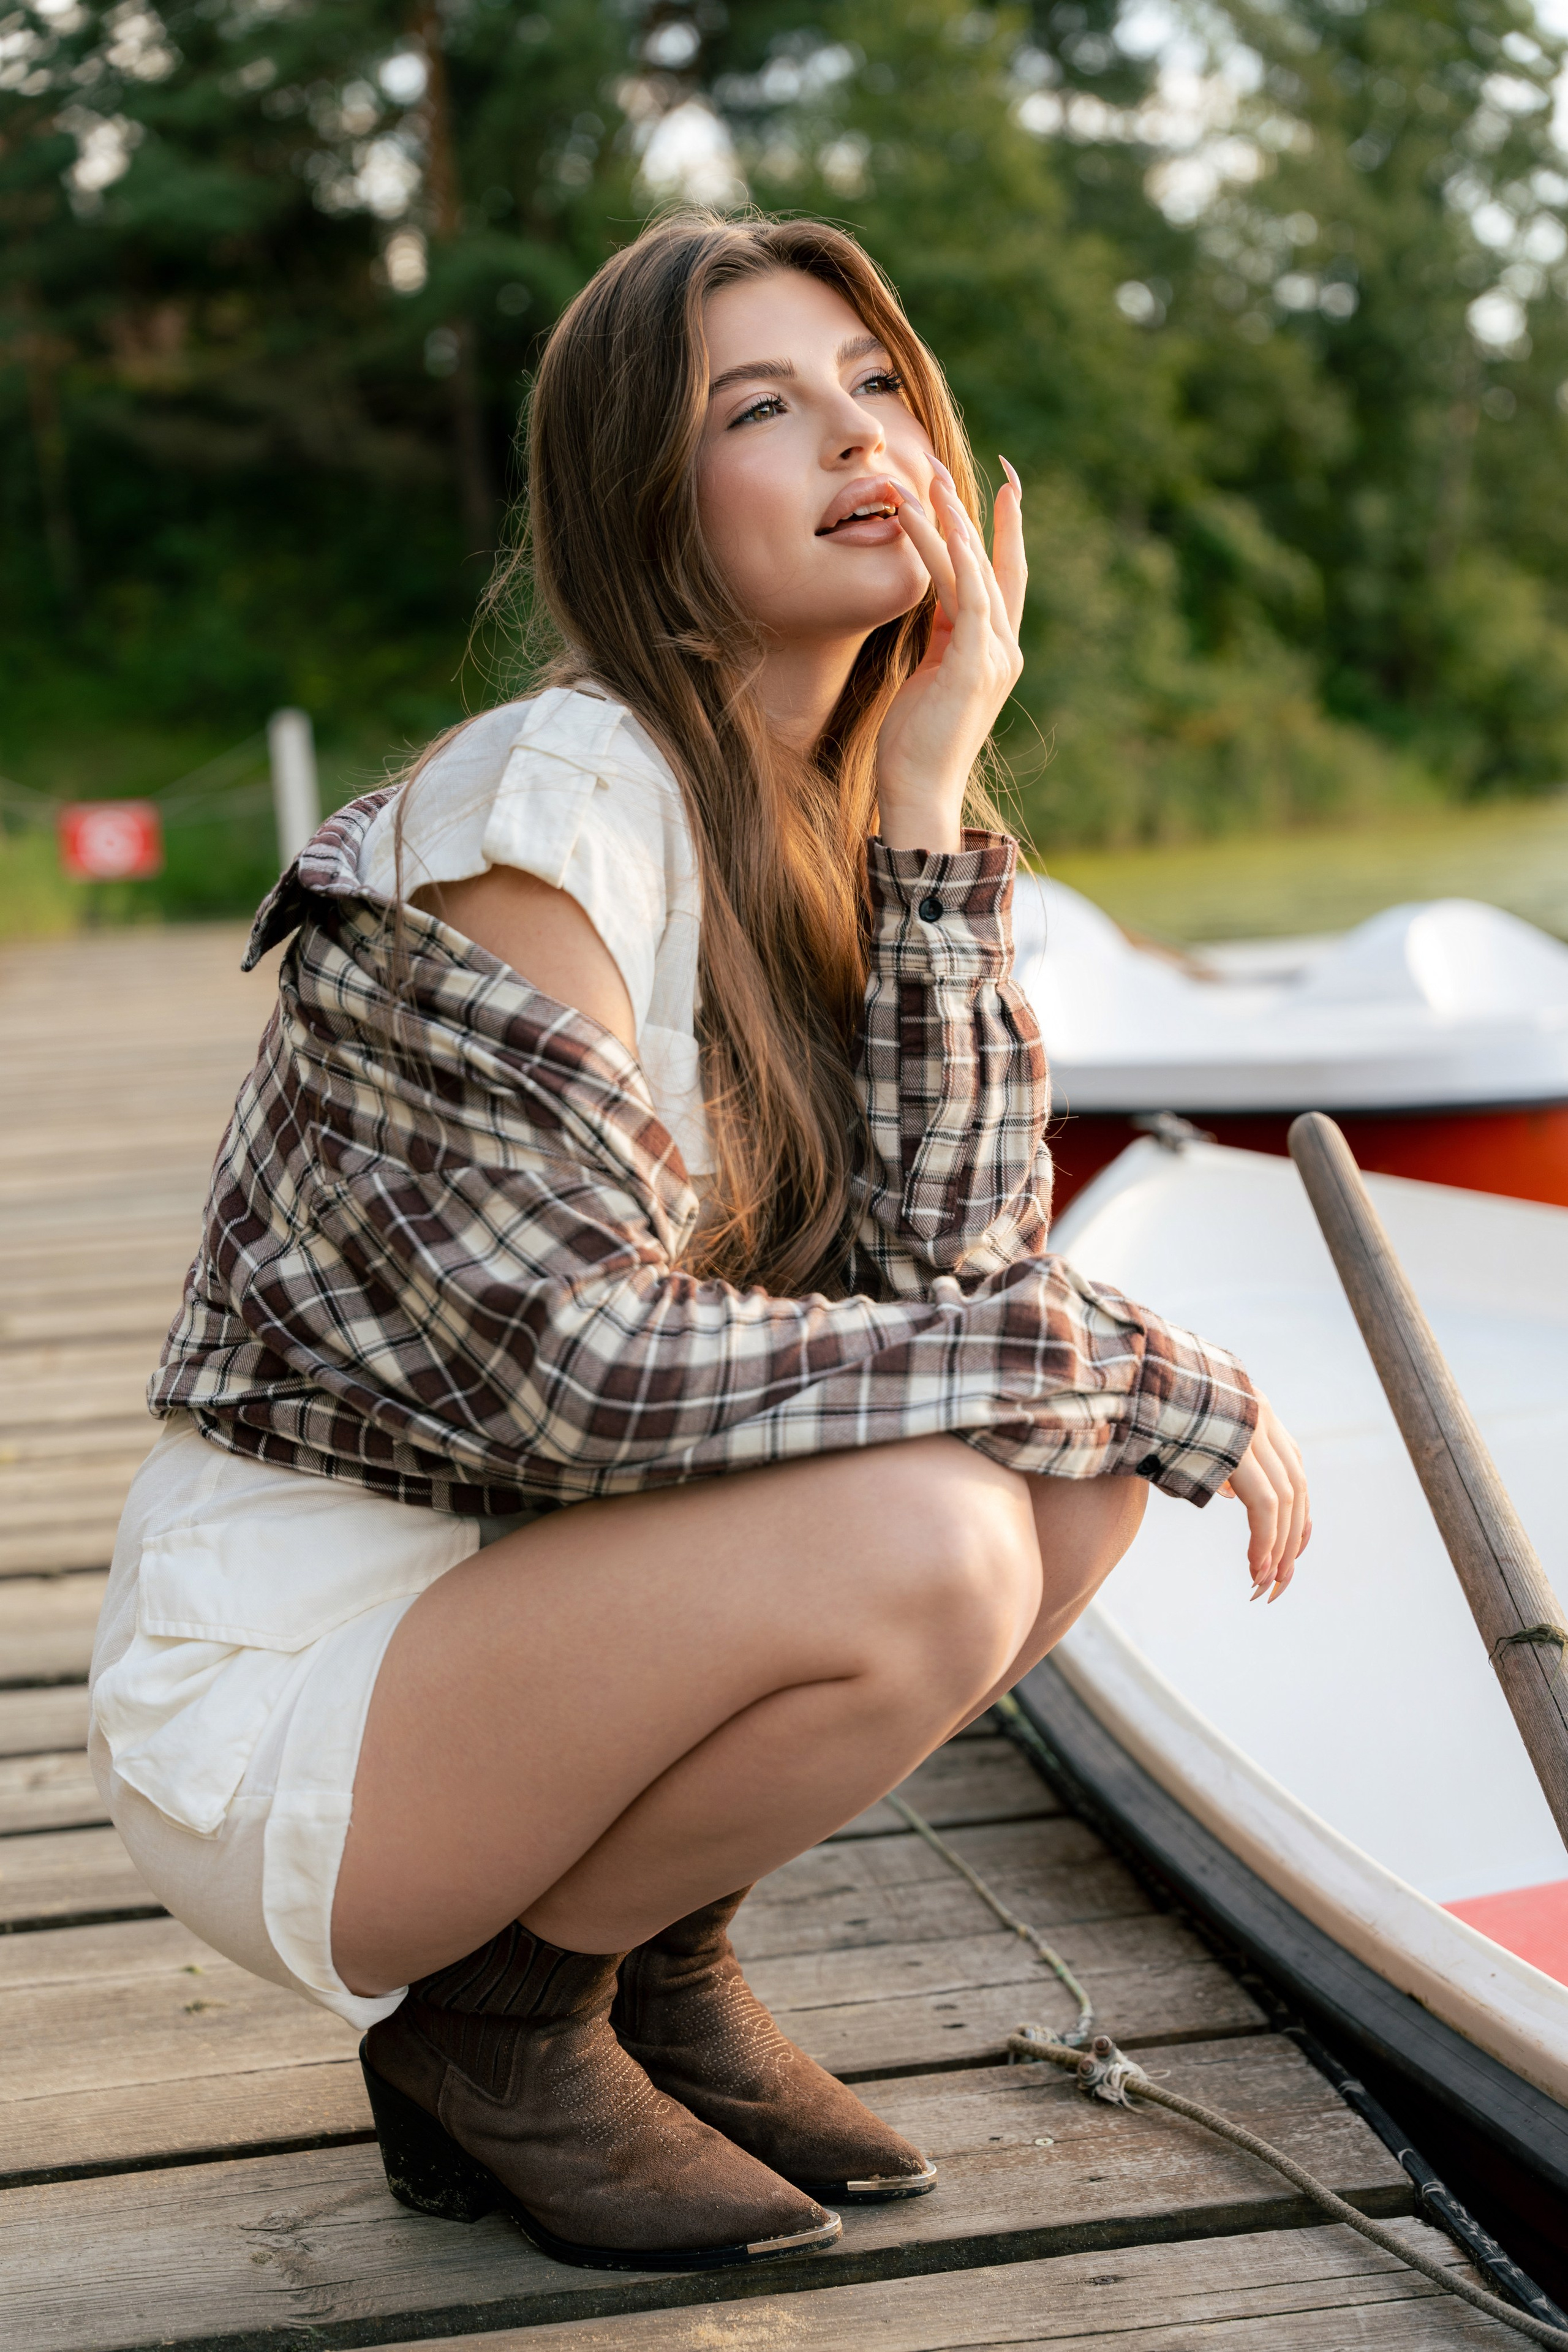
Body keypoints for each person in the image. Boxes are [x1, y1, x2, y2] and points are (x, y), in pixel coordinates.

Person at [88, 211, 1309, 2277]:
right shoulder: (547, 795)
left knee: (1062, 1484)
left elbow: (957, 1275)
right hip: (305, 1697)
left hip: (536, 1631)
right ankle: (494, 2024)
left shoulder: (830, 822)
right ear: (645, 507)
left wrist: (931, 795)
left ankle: (646, 1974)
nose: (858, 439)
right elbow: (579, 1371)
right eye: (763, 406)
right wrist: (1103, 1357)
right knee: (954, 1514)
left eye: (875, 386)